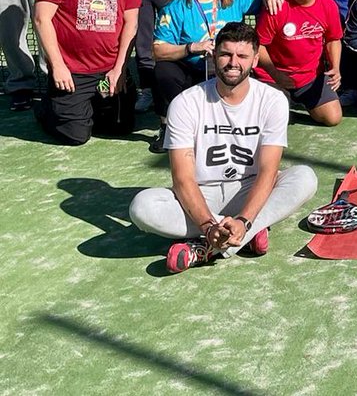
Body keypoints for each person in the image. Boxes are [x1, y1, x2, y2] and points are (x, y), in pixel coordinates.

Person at [128, 23, 319, 273]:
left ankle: (210, 245)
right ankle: (244, 235)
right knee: (142, 207)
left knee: (305, 177)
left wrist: (243, 220)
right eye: (226, 54)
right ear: (214, 55)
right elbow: (183, 179)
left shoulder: (273, 100)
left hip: (247, 188)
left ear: (255, 59)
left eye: (242, 56)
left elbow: (268, 172)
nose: (233, 62)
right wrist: (208, 225)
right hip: (201, 192)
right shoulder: (185, 103)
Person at [33, 0, 140, 145]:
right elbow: (42, 19)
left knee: (121, 127)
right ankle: (48, 110)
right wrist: (58, 66)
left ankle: (92, 105)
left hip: (108, 69)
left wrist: (120, 68)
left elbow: (131, 23)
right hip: (72, 71)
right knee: (76, 135)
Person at [150, 0, 265, 153]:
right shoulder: (175, 7)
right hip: (193, 70)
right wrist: (190, 47)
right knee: (163, 71)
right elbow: (158, 50)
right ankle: (169, 126)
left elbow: (263, 1)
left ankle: (242, 125)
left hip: (228, 68)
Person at [254, 0, 344, 127]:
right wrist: (276, 74)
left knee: (333, 118)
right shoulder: (277, 6)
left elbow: (334, 39)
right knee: (275, 121)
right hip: (273, 77)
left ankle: (294, 103)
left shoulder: (329, 5)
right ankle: (281, 104)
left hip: (310, 77)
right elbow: (259, 45)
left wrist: (335, 67)